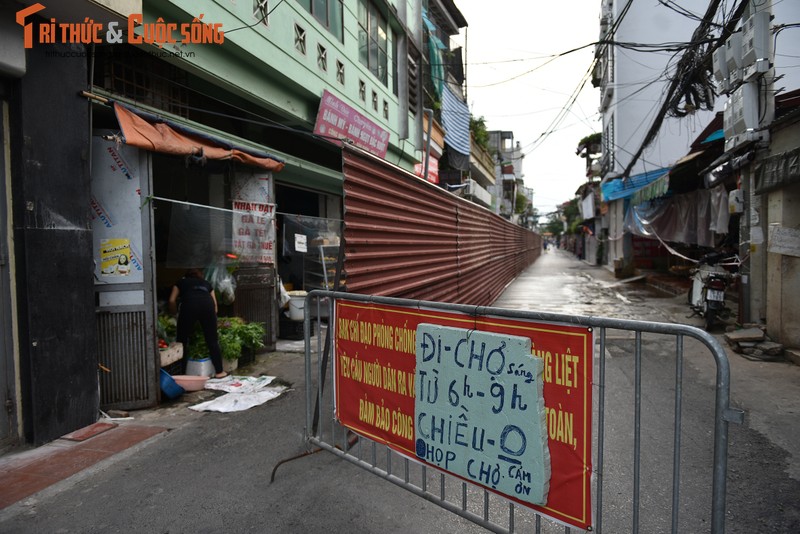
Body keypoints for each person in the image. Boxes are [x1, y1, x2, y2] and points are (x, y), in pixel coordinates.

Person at [169, 268, 227, 378]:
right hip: (207, 306)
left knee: (182, 340)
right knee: (212, 340)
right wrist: (209, 318)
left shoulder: (181, 282)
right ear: (200, 276)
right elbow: (215, 306)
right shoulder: (206, 283)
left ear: (186, 276)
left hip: (189, 306)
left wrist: (174, 314)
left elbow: (172, 300)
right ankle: (220, 372)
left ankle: (181, 373)